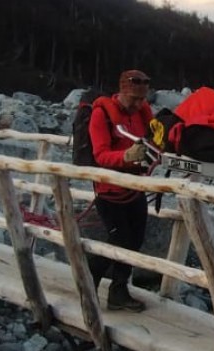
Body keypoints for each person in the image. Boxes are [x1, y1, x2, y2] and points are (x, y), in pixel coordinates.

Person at [87, 69, 154, 312]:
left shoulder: (141, 115)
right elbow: (100, 154)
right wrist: (126, 156)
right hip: (109, 191)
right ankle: (88, 281)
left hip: (135, 187)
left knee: (135, 240)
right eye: (133, 99)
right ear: (121, 92)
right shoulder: (101, 115)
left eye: (141, 100)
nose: (137, 104)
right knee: (119, 240)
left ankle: (119, 291)